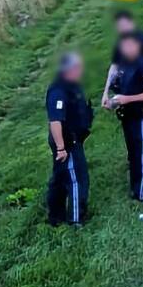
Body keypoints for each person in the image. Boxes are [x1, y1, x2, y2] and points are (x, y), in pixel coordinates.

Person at [104, 10, 143, 177]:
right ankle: (136, 160)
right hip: (126, 96)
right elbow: (115, 66)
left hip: (141, 95)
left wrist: (142, 84)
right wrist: (106, 92)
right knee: (133, 131)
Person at [108, 32, 143, 202]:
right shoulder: (123, 64)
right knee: (133, 153)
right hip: (126, 115)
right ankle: (134, 187)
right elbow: (117, 83)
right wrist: (112, 100)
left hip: (140, 114)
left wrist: (127, 99)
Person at [45, 52, 93, 226]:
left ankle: (55, 216)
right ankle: (76, 219)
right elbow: (55, 120)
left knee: (60, 177)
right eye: (77, 67)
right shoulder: (58, 90)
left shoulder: (71, 85)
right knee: (76, 180)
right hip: (66, 143)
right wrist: (61, 148)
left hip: (73, 139)